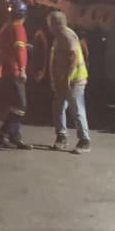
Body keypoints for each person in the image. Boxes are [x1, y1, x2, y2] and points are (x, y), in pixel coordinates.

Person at [47, 10, 91, 153]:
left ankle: (85, 141)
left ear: (56, 25)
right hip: (63, 80)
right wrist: (54, 79)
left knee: (77, 109)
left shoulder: (67, 36)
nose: (49, 27)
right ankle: (61, 137)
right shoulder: (58, 36)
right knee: (58, 108)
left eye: (50, 24)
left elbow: (72, 58)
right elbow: (54, 60)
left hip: (75, 80)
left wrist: (66, 78)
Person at [0, 0, 31, 149]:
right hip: (14, 71)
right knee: (21, 106)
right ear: (24, 14)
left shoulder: (5, 28)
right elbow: (19, 50)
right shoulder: (18, 29)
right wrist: (22, 69)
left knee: (15, 105)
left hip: (5, 71)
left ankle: (14, 135)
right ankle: (3, 133)